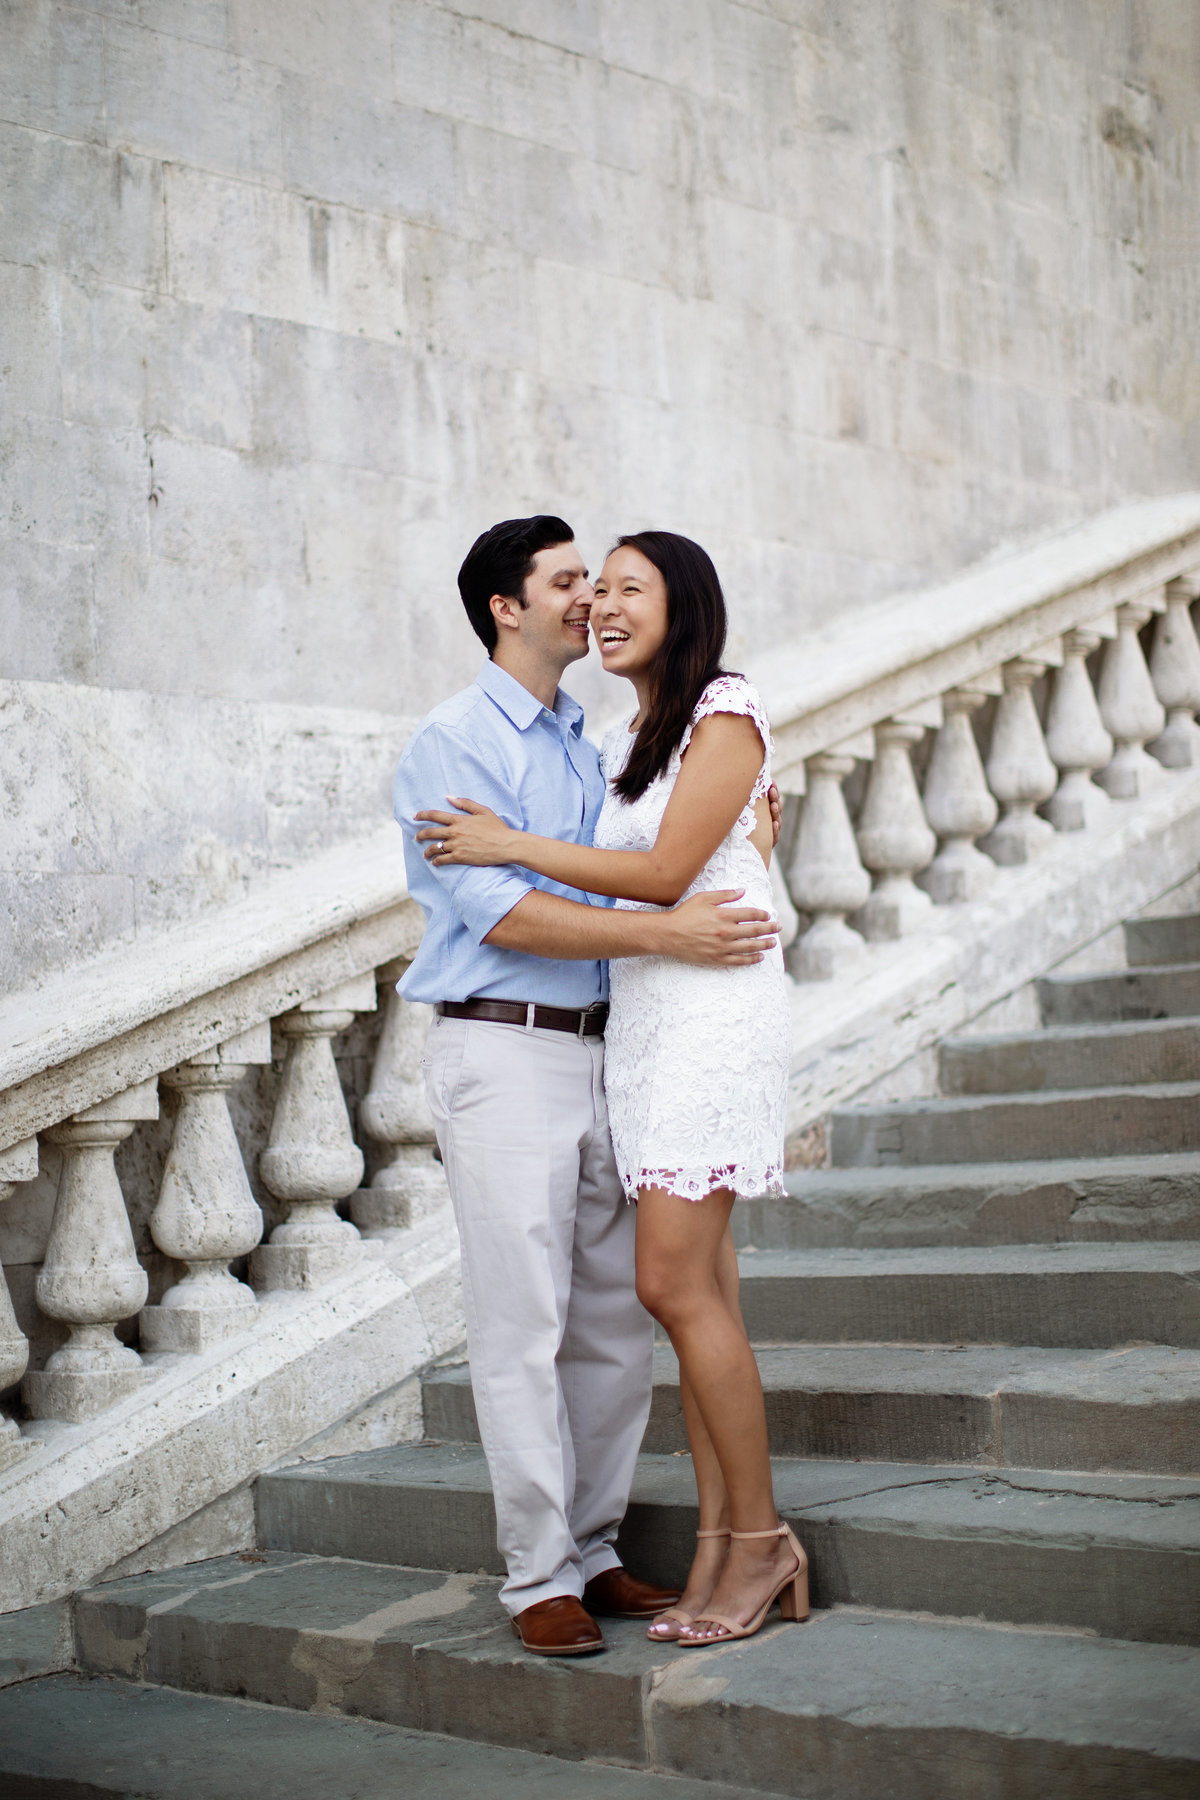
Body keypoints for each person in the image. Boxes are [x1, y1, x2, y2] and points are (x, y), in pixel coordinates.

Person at [392, 516, 781, 1658]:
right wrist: (666, 929)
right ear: (506, 607)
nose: (588, 602)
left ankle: (599, 1548)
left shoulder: (603, 734)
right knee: (523, 1322)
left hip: (619, 1047)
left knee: (616, 1319)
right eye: (568, 582)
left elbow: (674, 855)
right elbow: (505, 912)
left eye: (606, 584)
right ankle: (537, 1576)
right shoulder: (452, 742)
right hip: (502, 1047)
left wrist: (749, 849)